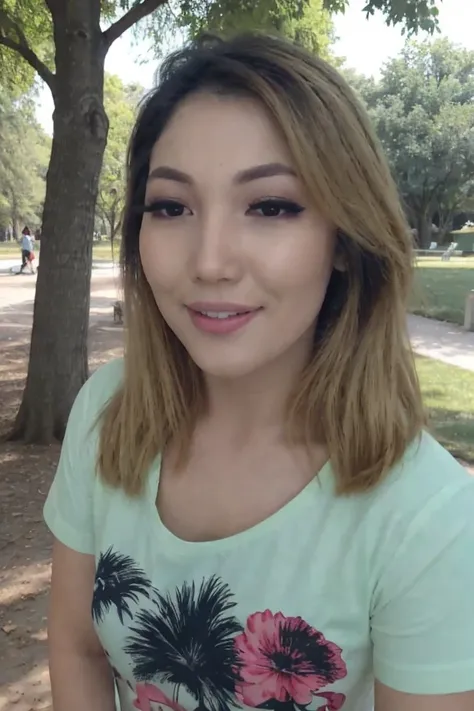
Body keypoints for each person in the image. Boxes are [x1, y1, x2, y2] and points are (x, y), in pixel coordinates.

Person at [43, 34, 474, 711]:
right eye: (171, 206)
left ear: (345, 238)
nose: (210, 260)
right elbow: (76, 648)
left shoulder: (431, 521)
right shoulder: (105, 414)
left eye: (271, 206)